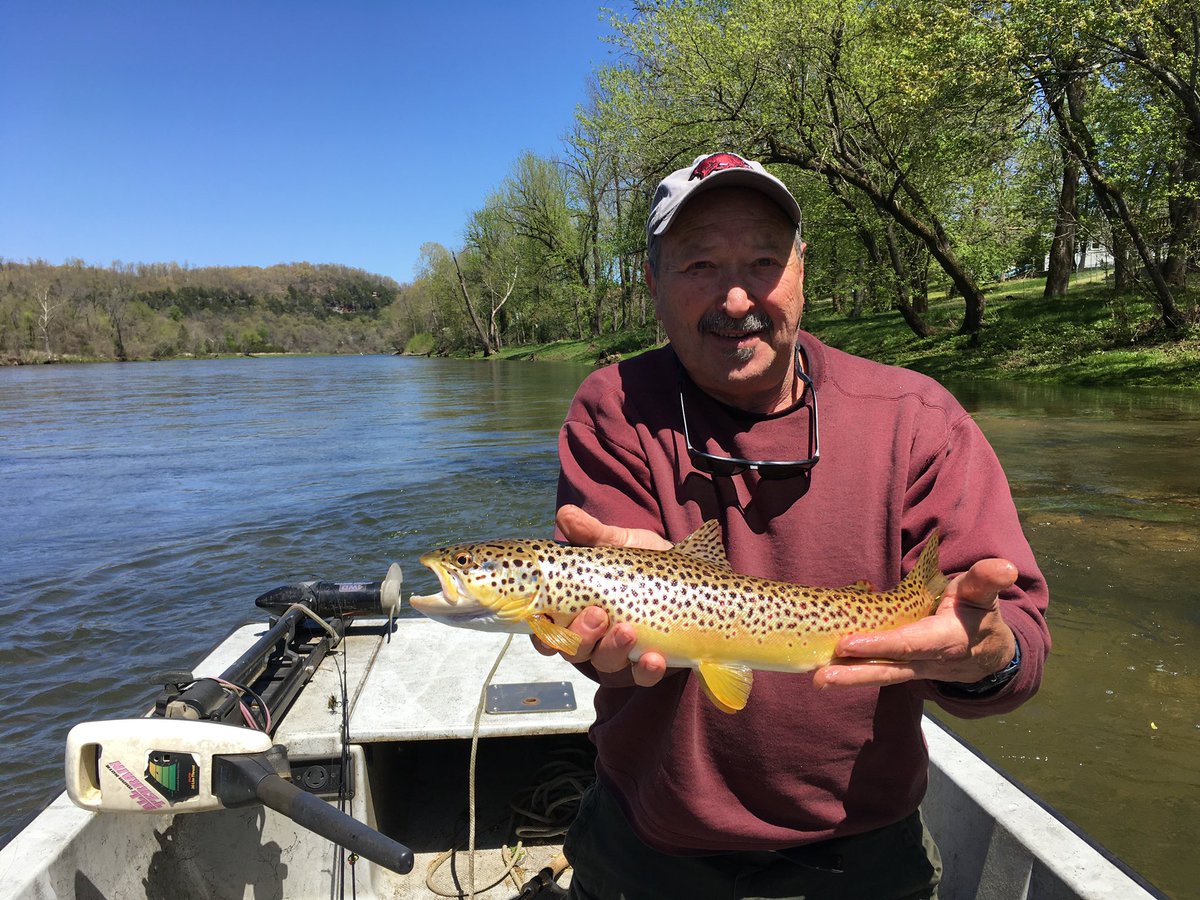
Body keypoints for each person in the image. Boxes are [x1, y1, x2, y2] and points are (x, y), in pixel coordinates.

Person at [537, 151, 1050, 900]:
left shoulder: (917, 420)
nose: (737, 297)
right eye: (700, 265)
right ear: (651, 283)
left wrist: (982, 655)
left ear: (803, 270)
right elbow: (600, 650)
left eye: (764, 261)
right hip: (651, 842)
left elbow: (1021, 653)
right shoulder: (614, 407)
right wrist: (604, 628)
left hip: (863, 845)